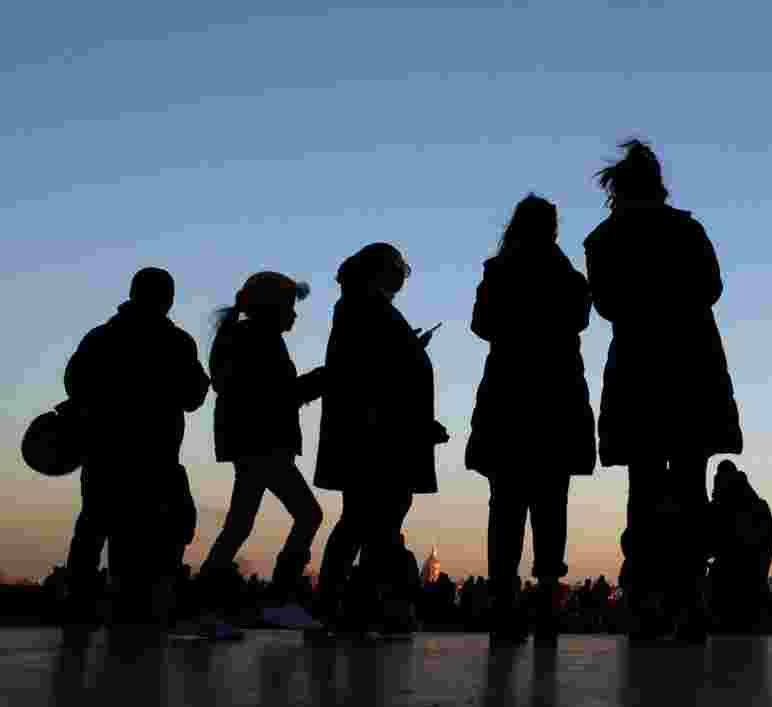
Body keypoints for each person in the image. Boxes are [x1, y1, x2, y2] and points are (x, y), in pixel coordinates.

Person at [583, 139, 742, 643]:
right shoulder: (688, 231)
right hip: (693, 363)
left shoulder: (603, 240)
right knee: (692, 485)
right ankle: (690, 596)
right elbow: (712, 288)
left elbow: (606, 305)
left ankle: (647, 598)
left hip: (638, 366)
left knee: (644, 485)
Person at [465, 194, 596, 645]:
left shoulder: (499, 271)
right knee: (551, 505)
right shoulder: (568, 276)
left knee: (505, 509)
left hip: (508, 395)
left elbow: (481, 325)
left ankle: (504, 605)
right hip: (556, 397)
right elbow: (581, 319)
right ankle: (546, 602)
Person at [313, 243, 449, 638]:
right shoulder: (366, 308)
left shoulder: (361, 306)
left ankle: (356, 605)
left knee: (367, 522)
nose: (404, 276)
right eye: (400, 268)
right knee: (370, 521)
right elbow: (374, 375)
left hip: (382, 433)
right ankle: (356, 605)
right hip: (380, 437)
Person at [63, 267, 209, 633]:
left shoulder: (100, 337)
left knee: (94, 525)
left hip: (103, 449)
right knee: (146, 530)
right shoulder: (176, 342)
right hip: (155, 454)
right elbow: (193, 397)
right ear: (169, 298)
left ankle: (79, 605)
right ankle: (132, 606)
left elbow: (74, 384)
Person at [198, 271, 326, 635]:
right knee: (308, 515)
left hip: (251, 443)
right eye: (290, 307)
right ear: (273, 307)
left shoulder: (241, 337)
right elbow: (278, 395)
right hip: (263, 443)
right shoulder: (258, 340)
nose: (294, 315)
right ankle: (280, 601)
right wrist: (325, 378)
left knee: (239, 526)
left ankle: (205, 608)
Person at [708, 460, 772, 632]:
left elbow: (710, 544)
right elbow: (766, 547)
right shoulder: (759, 507)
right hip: (752, 586)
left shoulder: (721, 507)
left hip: (727, 586)